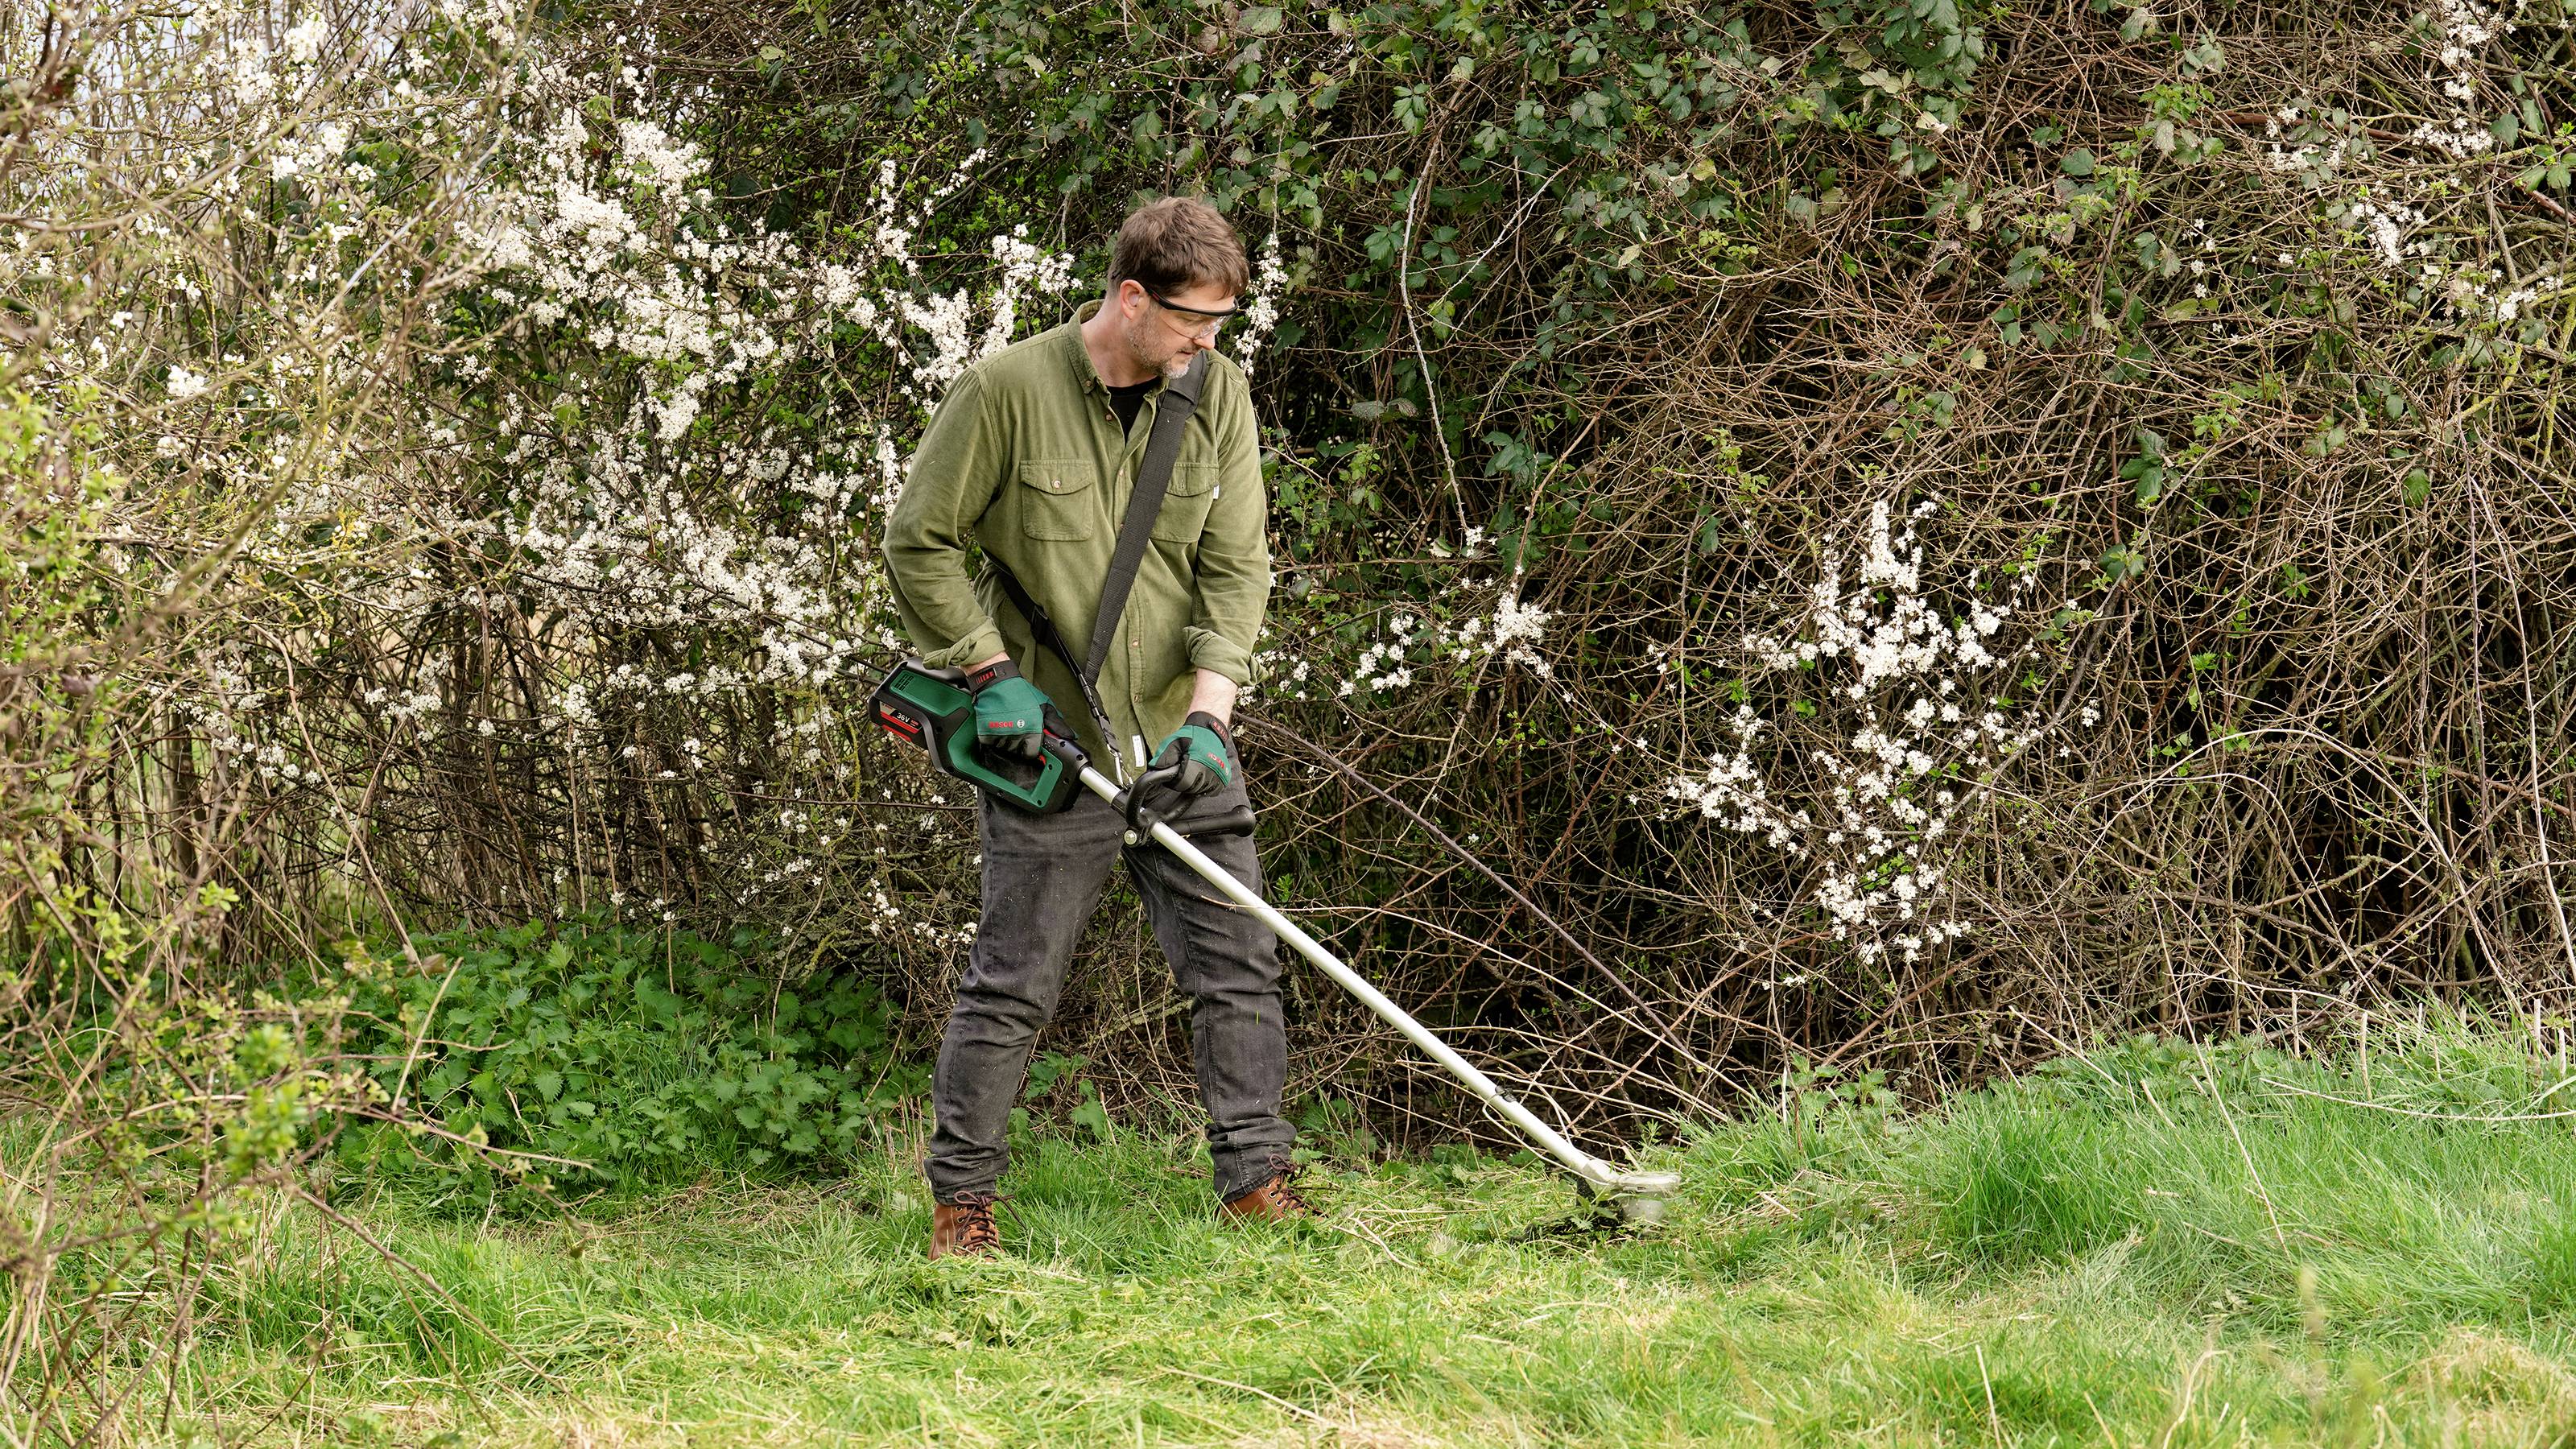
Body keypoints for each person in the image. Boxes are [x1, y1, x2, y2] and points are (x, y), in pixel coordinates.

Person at [884, 197, 1311, 1259]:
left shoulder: (1217, 395)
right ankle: (962, 1208)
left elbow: (1237, 564)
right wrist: (987, 672)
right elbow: (919, 539)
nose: (1207, 345)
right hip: (1052, 746)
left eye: (1218, 326)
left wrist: (1211, 719)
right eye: (1191, 324)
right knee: (1015, 981)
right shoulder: (1005, 393)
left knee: (1240, 966)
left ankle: (1256, 1183)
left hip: (1180, 734)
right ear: (1131, 298)